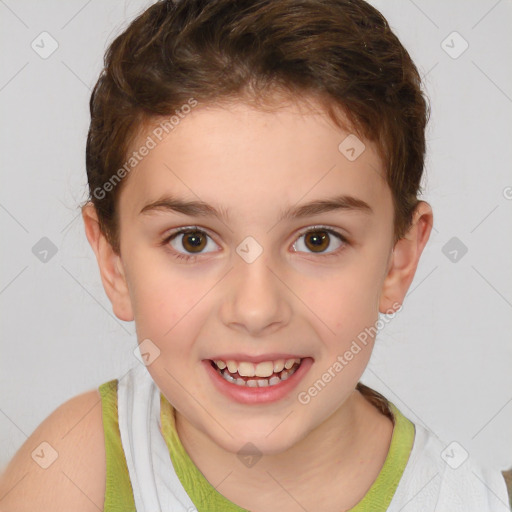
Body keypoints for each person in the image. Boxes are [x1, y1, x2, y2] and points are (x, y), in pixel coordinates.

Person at [1, 0, 510, 510]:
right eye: (193, 240)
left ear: (399, 259)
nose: (256, 309)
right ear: (113, 262)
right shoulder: (72, 474)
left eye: (318, 240)